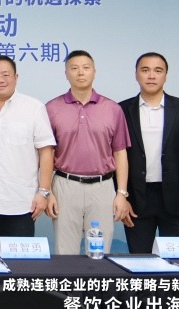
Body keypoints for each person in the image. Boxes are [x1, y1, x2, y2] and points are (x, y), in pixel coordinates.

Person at [118, 52, 179, 253]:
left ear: (165, 75)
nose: (151, 76)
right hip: (136, 199)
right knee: (139, 260)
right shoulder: (122, 109)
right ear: (136, 74)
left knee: (177, 259)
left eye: (158, 71)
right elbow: (115, 156)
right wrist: (121, 197)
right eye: (145, 70)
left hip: (178, 198)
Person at [45, 50, 131, 255]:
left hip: (103, 187)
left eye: (86, 68)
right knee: (65, 252)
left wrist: (121, 193)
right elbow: (46, 154)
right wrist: (47, 192)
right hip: (65, 185)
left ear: (94, 72)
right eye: (74, 68)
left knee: (101, 251)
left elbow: (120, 153)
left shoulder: (112, 109)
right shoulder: (51, 108)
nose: (80, 73)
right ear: (66, 73)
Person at [0, 55, 55, 252]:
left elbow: (46, 151)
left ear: (16, 77)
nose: (0, 80)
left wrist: (44, 192)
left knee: (19, 265)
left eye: (6, 75)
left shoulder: (33, 108)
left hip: (21, 204)